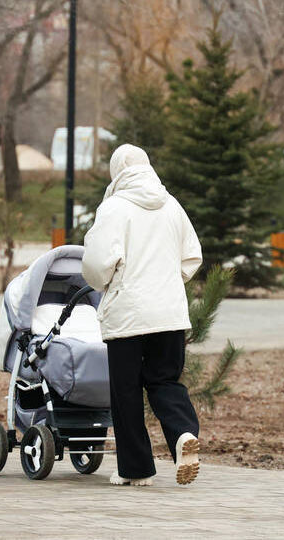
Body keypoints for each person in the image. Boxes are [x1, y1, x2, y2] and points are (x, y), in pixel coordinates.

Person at [82, 144, 203, 486]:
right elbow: (192, 256)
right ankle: (182, 435)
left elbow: (95, 265)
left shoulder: (114, 208)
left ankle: (136, 470)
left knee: (127, 390)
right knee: (165, 380)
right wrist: (166, 284)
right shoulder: (172, 205)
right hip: (169, 314)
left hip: (128, 314)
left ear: (116, 171)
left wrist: (108, 284)